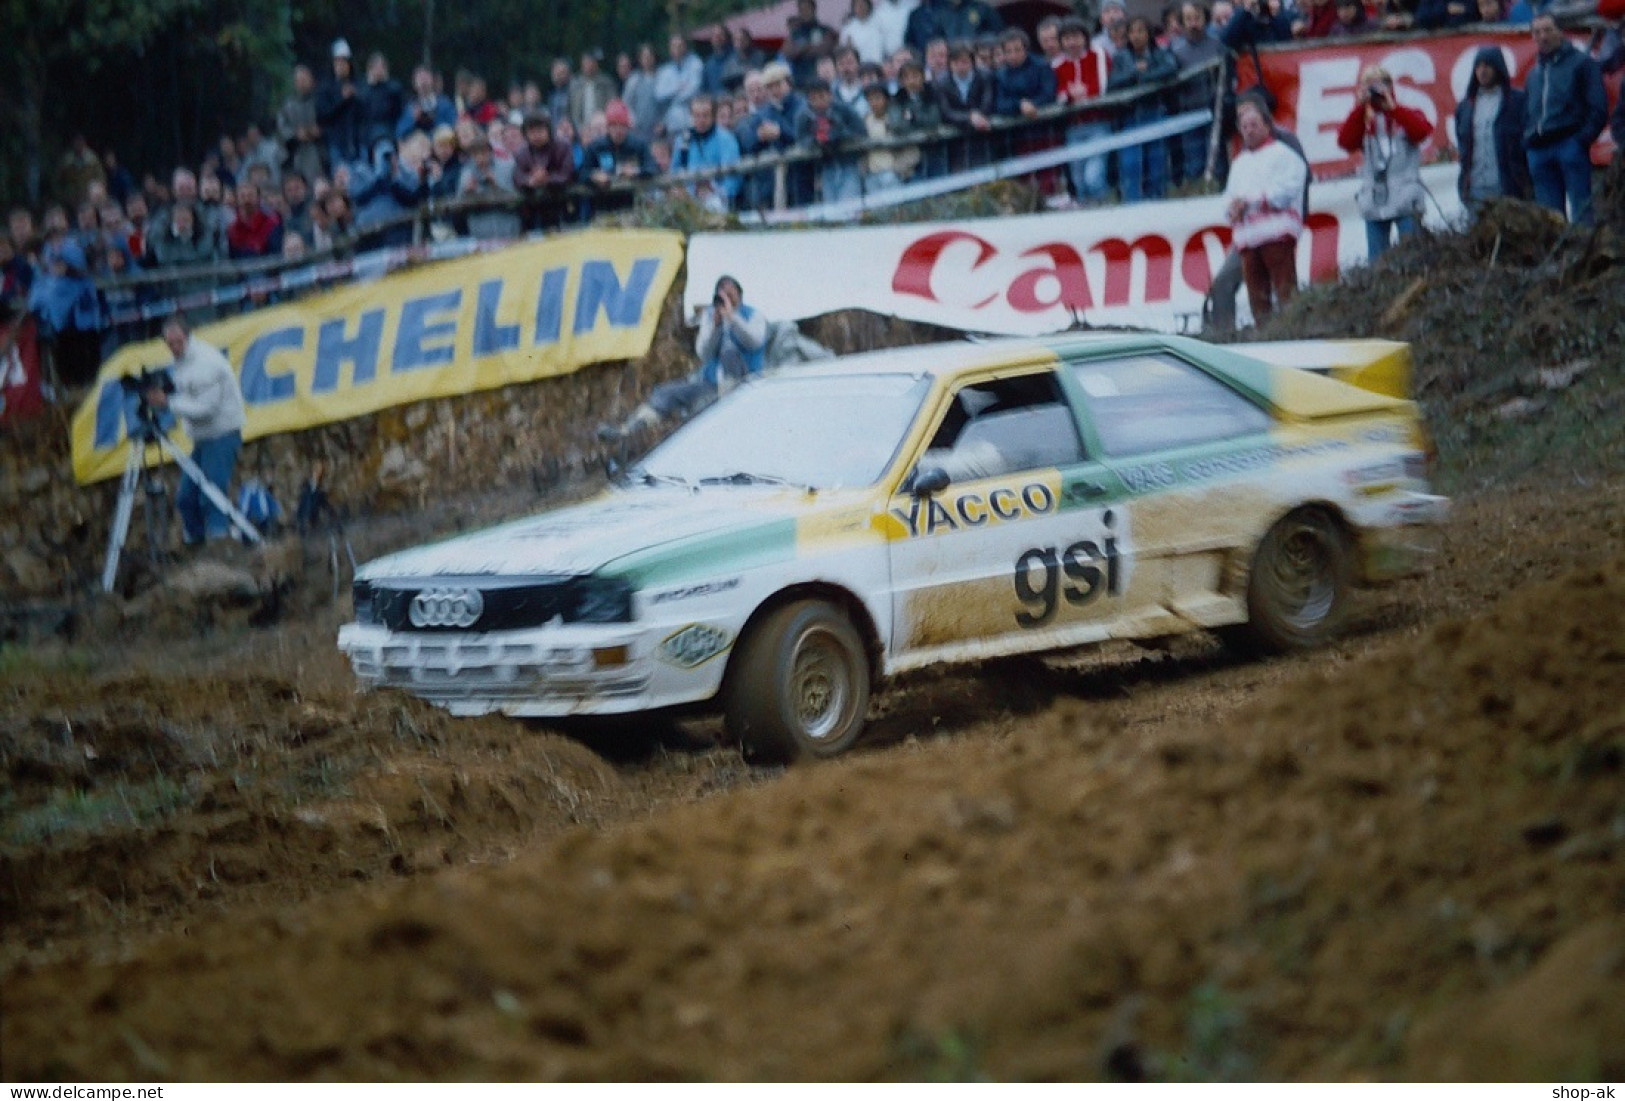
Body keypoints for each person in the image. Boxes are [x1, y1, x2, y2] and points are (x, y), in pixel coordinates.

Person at [598, 275, 768, 440]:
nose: (727, 300)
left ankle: (724, 409)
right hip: (712, 386)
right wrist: (715, 327)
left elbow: (755, 340)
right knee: (668, 393)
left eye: (730, 294)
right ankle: (630, 428)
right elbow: (704, 353)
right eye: (722, 295)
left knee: (729, 352)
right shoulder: (712, 316)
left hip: (745, 385)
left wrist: (733, 318)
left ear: (739, 294)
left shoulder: (753, 315)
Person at [145, 313, 246, 545]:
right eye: (170, 344)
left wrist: (168, 402)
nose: (174, 348)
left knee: (212, 495)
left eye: (178, 342)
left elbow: (206, 409)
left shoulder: (206, 362)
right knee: (185, 498)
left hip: (221, 434)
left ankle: (219, 543)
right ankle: (197, 543)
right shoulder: (183, 363)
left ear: (188, 337)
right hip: (203, 438)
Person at [1222, 94, 1307, 326]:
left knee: (1286, 293)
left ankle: (1294, 332)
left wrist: (1252, 202)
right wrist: (1232, 209)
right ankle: (1265, 337)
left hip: (1276, 235)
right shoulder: (1239, 164)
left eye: (1254, 125)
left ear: (1267, 126)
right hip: (1248, 240)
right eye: (1245, 126)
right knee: (1257, 302)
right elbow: (1228, 197)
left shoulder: (1284, 155)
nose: (1249, 131)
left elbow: (1287, 191)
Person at [1335, 65, 1431, 260]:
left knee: (1414, 258)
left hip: (1406, 198)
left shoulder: (1406, 113)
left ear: (1389, 86)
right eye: (1368, 86)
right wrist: (1359, 109)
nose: (1374, 91)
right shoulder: (1362, 120)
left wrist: (1394, 109)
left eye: (1379, 85)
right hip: (1375, 201)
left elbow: (1422, 131)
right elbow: (1345, 142)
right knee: (1378, 263)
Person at [1523, 13, 1608, 225]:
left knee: (1581, 214)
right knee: (1549, 220)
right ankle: (1558, 258)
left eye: (1548, 30)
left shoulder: (1582, 64)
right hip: (1539, 150)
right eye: (1537, 32)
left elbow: (1598, 106)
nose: (1543, 36)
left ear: (1560, 32)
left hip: (1569, 145)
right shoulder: (1533, 74)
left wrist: (1581, 140)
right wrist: (1528, 141)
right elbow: (1527, 112)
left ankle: (1585, 256)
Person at [1454, 46, 1532, 217]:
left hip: (1508, 185)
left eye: (1488, 65)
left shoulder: (1516, 101)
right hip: (1475, 186)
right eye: (1479, 66)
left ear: (1498, 67)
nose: (1483, 71)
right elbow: (1463, 145)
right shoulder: (1466, 106)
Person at [1110, 17, 1179, 202]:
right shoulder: (1121, 57)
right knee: (1131, 163)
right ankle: (1132, 204)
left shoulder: (1160, 53)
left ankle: (1157, 201)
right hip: (1131, 117)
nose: (1136, 36)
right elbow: (1112, 83)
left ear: (1148, 34)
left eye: (1141, 31)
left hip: (1155, 113)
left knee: (1156, 162)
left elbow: (1171, 68)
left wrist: (1146, 76)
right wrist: (1134, 72)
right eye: (1132, 32)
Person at [673, 94, 742, 213]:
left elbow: (733, 179)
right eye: (696, 116)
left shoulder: (726, 139)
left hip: (718, 202)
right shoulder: (683, 140)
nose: (700, 120)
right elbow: (674, 172)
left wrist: (715, 192)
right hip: (687, 201)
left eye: (705, 115)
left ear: (713, 116)